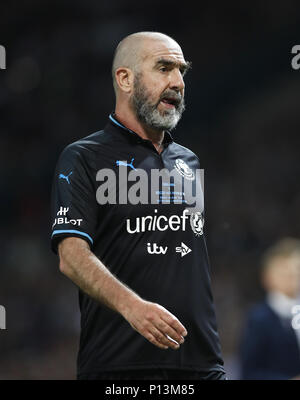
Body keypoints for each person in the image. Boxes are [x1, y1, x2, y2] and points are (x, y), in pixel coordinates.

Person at [51, 31, 225, 380]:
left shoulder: (188, 161)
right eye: (164, 67)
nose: (177, 82)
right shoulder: (83, 157)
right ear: (125, 78)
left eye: (182, 71)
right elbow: (70, 256)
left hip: (202, 364)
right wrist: (134, 307)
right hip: (120, 367)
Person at [239, 238, 300, 380]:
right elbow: (249, 372)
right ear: (267, 277)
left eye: (296, 269)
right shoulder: (259, 318)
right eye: (283, 270)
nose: (291, 275)